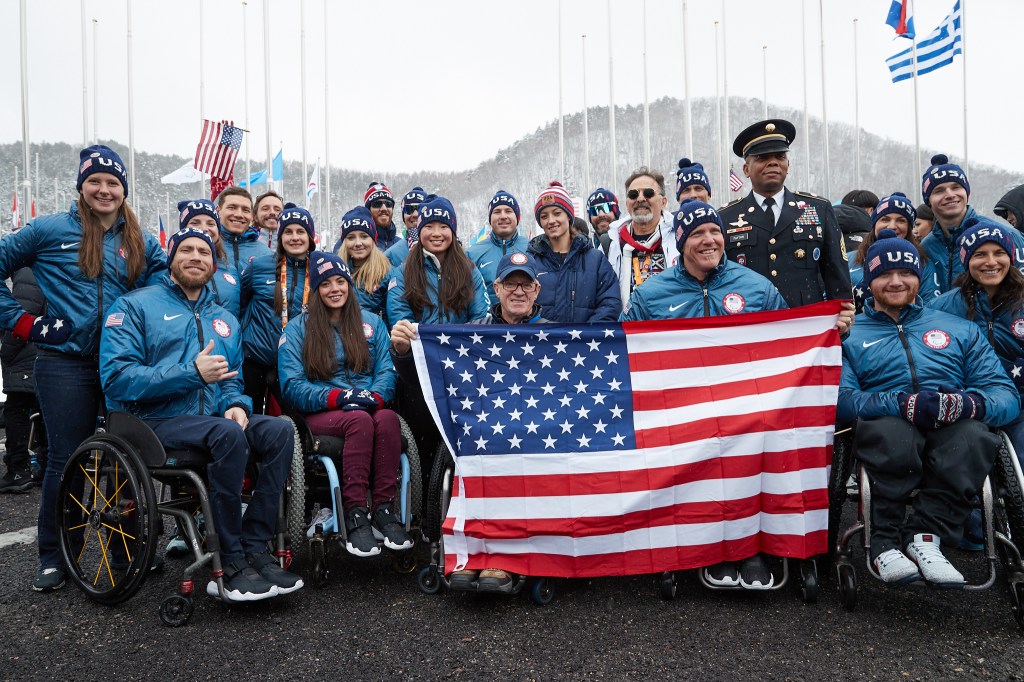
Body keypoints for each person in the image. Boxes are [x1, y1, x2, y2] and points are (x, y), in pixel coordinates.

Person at [101, 227, 303, 600]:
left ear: (213, 264)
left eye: (204, 252)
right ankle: (229, 559)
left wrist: (235, 405)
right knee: (226, 435)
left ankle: (255, 545)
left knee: (278, 430)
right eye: (187, 250)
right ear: (171, 259)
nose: (196, 256)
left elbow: (231, 380)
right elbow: (116, 379)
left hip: (209, 421)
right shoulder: (133, 306)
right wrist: (190, 373)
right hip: (152, 423)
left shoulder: (223, 319)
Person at [0, 145, 167, 591]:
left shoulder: (141, 240)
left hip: (121, 364)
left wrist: (146, 324)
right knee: (66, 460)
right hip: (64, 363)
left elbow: (164, 283)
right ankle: (56, 556)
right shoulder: (49, 229)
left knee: (124, 460)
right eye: (95, 181)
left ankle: (126, 552)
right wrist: (24, 323)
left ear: (124, 189)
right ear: (81, 185)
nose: (104, 189)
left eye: (113, 182)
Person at [837, 229, 1019, 586]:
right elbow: (841, 399)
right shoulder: (849, 336)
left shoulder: (960, 329)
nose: (896, 282)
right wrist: (901, 403)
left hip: (949, 424)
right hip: (888, 427)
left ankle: (926, 538)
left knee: (974, 436)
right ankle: (884, 541)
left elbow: (1004, 394)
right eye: (884, 274)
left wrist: (969, 404)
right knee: (893, 433)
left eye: (905, 273)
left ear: (918, 276)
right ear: (869, 280)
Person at [390, 250, 547, 592]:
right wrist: (403, 352)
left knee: (510, 457)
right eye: (511, 284)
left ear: (537, 290)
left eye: (526, 285)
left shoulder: (554, 335)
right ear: (496, 288)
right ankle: (473, 551)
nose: (518, 292)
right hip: (480, 432)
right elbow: (428, 379)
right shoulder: (471, 334)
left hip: (535, 434)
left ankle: (502, 557)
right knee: (477, 455)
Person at [278, 252, 412, 557]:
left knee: (388, 419)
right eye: (326, 284)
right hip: (322, 411)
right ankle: (355, 512)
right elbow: (292, 386)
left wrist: (374, 397)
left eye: (340, 281)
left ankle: (384, 509)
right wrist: (338, 397)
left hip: (367, 405)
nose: (335, 289)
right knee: (359, 421)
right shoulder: (297, 329)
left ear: (349, 285)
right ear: (316, 290)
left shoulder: (372, 322)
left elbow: (386, 371)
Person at [719, 119, 852, 308]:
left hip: (806, 320)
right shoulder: (726, 217)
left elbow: (836, 273)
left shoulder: (818, 209)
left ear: (788, 164)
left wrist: (842, 312)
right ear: (746, 169)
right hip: (751, 318)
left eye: (780, 157)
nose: (773, 162)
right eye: (762, 158)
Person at [929, 218, 1024, 463]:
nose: (991, 262)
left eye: (999, 253)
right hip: (968, 409)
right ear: (966, 260)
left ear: (1011, 257)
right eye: (980, 254)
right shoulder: (940, 309)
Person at [621, 200, 788, 322]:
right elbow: (623, 347)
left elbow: (787, 343)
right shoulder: (647, 296)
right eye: (697, 233)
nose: (709, 240)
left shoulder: (760, 289)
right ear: (681, 245)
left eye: (715, 231)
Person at [239, 203, 315, 414]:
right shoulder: (258, 266)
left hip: (296, 361)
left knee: (296, 420)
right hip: (255, 358)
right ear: (280, 237)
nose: (295, 237)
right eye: (288, 232)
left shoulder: (319, 269)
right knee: (249, 416)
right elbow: (242, 304)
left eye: (301, 232)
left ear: (310, 237)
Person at [920, 154, 1024, 293]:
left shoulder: (1006, 235)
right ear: (928, 200)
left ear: (967, 193)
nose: (950, 195)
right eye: (939, 190)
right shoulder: (926, 247)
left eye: (956, 187)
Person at [386, 194, 490, 325]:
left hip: (463, 339)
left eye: (443, 226)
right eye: (429, 226)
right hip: (417, 340)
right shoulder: (402, 274)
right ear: (419, 231)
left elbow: (481, 319)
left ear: (453, 231)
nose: (436, 233)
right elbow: (401, 319)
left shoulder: (470, 271)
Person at [528, 181, 620, 322]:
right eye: (544, 216)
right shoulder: (530, 261)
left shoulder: (595, 260)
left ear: (569, 216)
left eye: (557, 213)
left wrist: (584, 334)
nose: (551, 221)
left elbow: (609, 304)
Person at [0, 264, 47, 492]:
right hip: (40, 352)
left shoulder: (27, 271)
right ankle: (46, 467)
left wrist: (6, 352)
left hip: (25, 355)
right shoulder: (42, 267)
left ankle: (18, 470)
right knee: (42, 412)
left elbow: (21, 317)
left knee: (16, 411)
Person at [849, 193, 938, 310]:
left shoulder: (924, 263)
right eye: (885, 219)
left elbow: (930, 306)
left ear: (909, 228)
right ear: (874, 224)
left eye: (901, 221)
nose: (892, 226)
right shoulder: (848, 260)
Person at [606, 168, 677, 307]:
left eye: (648, 193)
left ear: (663, 202)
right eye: (633, 194)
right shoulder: (610, 242)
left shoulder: (680, 238)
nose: (640, 199)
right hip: (626, 319)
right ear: (627, 203)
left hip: (672, 319)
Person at [178, 199, 242, 317]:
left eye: (211, 224)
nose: (204, 228)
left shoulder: (230, 268)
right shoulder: (173, 269)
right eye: (195, 223)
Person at [333, 206, 392, 321]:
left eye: (364, 236)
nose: (358, 243)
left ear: (373, 240)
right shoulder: (334, 273)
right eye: (351, 238)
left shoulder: (387, 274)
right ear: (344, 242)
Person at [466, 190, 529, 290]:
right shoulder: (472, 254)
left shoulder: (532, 249)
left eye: (508, 211)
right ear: (490, 218)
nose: (503, 216)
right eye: (497, 212)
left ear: (517, 217)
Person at [216, 186, 271, 271]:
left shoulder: (266, 254)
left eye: (245, 210)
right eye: (232, 208)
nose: (239, 214)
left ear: (252, 215)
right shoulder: (205, 248)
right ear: (218, 211)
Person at [384, 186, 427, 268]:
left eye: (420, 209)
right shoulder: (391, 254)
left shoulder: (443, 245)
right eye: (409, 209)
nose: (415, 214)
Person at [363, 181, 402, 252]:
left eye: (388, 204)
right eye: (377, 204)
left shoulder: (402, 244)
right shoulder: (359, 245)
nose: (384, 208)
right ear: (368, 210)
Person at [585, 187, 620, 256]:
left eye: (606, 208)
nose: (601, 214)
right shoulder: (584, 250)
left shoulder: (627, 243)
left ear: (616, 213)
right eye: (594, 210)